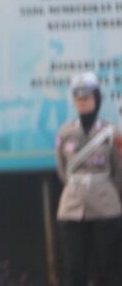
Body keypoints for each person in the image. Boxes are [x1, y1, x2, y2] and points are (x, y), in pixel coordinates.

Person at [55, 72, 122, 286]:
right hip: (72, 207)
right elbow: (62, 170)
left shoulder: (112, 133)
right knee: (74, 269)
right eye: (78, 98)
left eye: (87, 97)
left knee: (109, 267)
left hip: (105, 207)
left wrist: (106, 192)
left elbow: (119, 170)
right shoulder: (65, 132)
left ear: (96, 98)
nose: (82, 102)